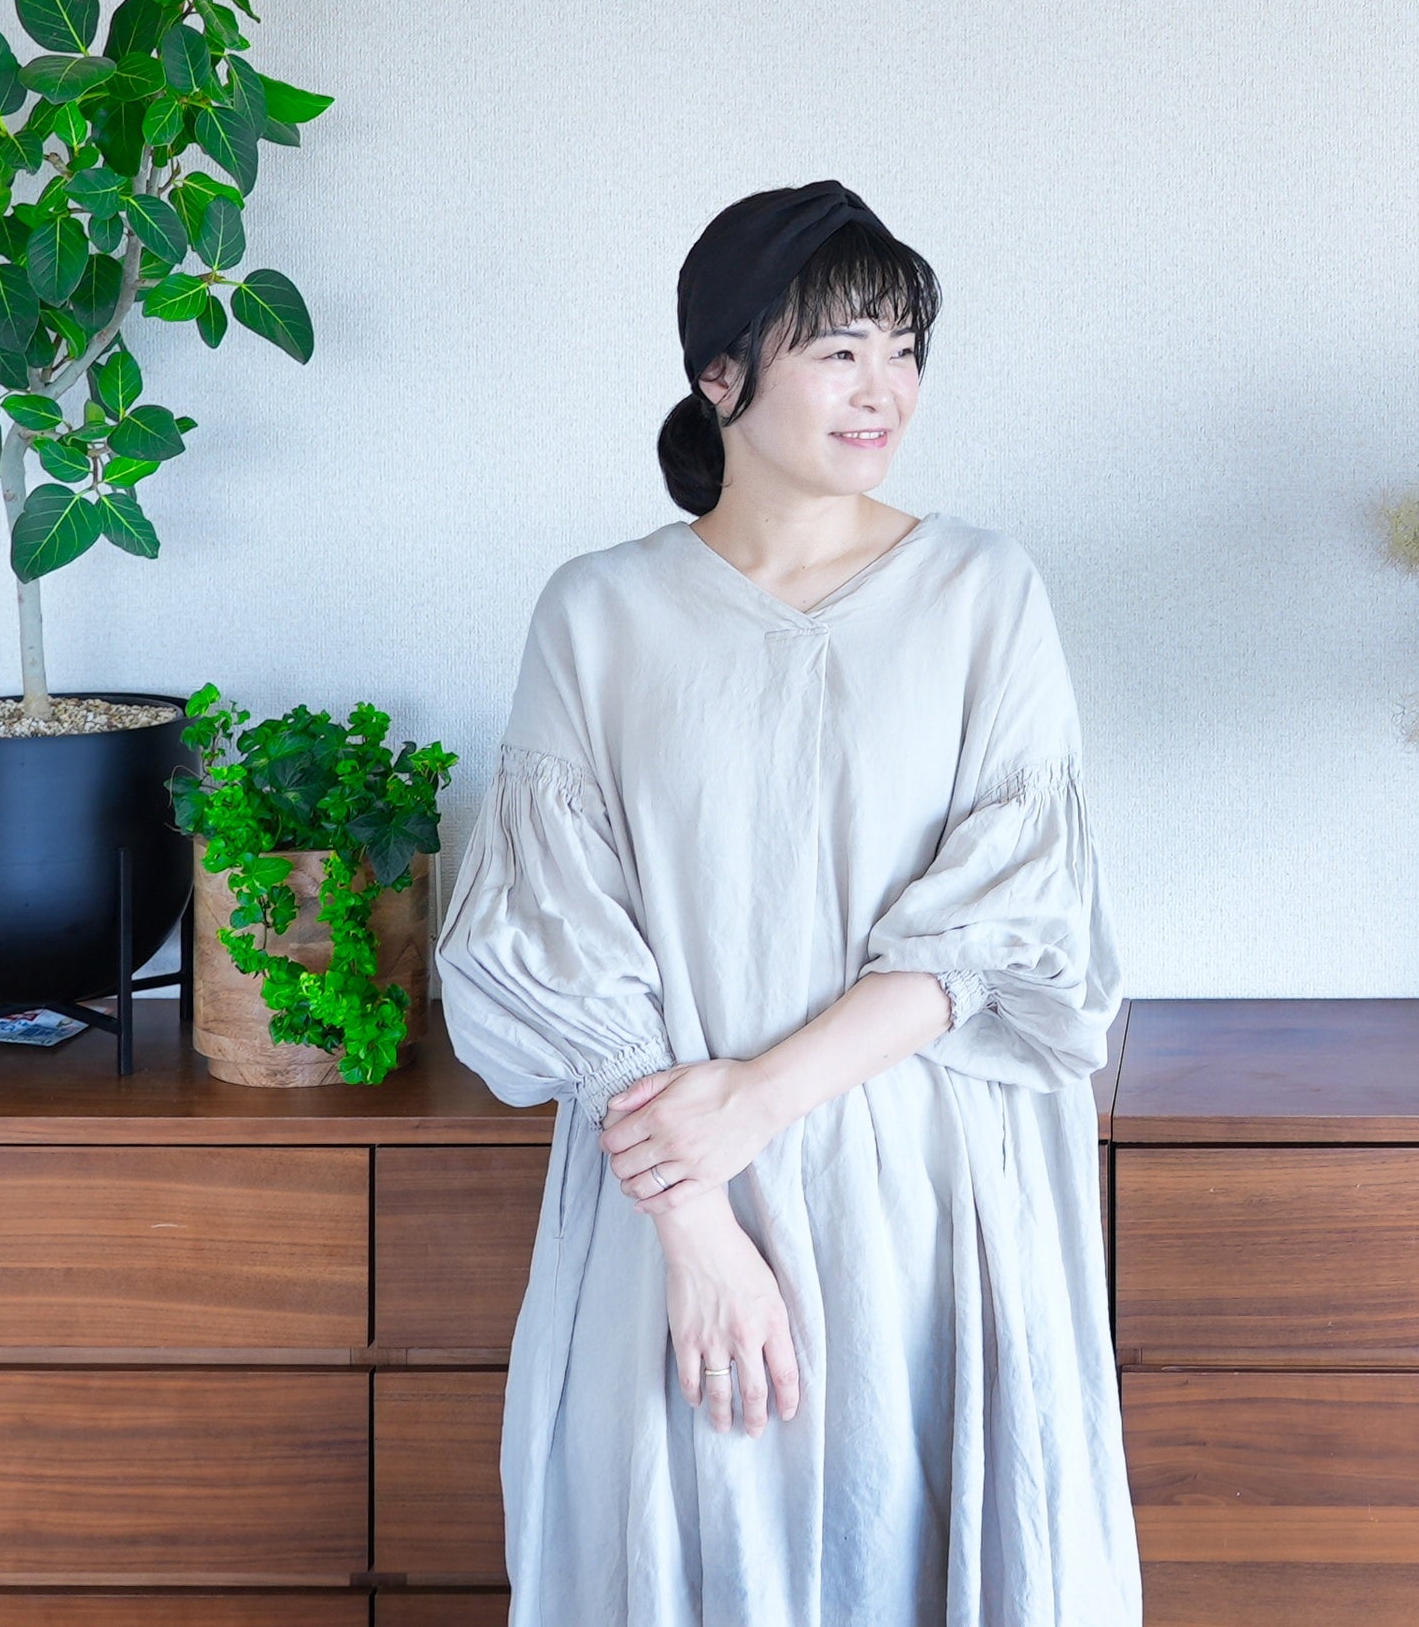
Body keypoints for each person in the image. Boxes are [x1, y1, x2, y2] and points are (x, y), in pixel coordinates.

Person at [434, 182, 1134, 1625]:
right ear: (722, 373)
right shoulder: (597, 613)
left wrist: (759, 1099)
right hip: (669, 1193)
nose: (885, 391)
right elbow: (554, 948)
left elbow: (1008, 926)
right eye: (839, 351)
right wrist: (699, 1229)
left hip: (927, 1185)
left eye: (905, 350)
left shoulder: (983, 592)